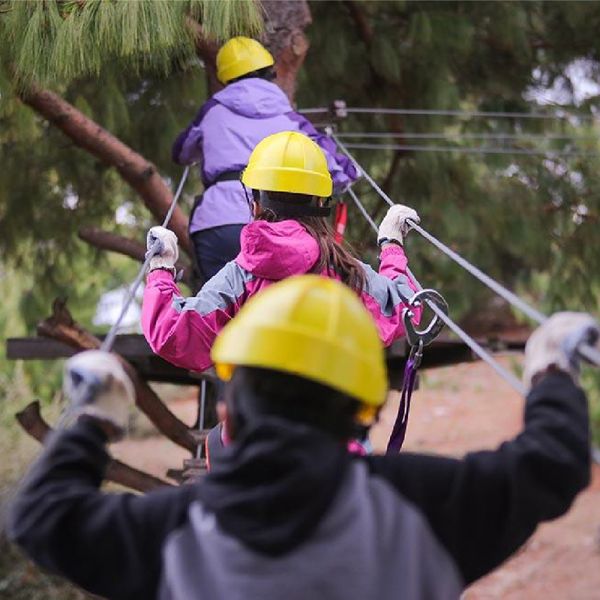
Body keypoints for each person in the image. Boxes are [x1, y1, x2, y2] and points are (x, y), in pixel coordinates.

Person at [8, 275, 596, 599]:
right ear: (364, 414)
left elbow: (41, 516)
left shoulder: (171, 533)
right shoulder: (422, 509)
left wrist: (93, 421)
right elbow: (551, 463)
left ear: (230, 417)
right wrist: (550, 373)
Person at [143, 130, 421, 374]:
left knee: (217, 438)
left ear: (255, 203)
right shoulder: (345, 271)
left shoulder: (240, 278)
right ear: (321, 201)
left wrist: (161, 269)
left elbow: (171, 334)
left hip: (256, 427)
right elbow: (406, 307)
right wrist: (391, 244)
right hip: (331, 427)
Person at [172, 36, 359, 282]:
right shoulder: (291, 119)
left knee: (218, 314)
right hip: (275, 226)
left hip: (217, 223)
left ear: (225, 79)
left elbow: (181, 153)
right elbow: (341, 170)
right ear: (271, 74)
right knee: (277, 315)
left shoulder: (212, 111)